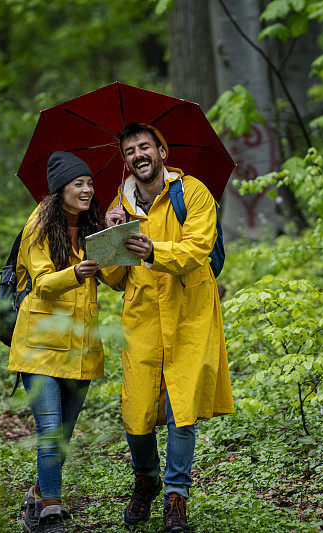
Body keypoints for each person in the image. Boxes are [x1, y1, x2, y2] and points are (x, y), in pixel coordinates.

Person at [104, 123, 234, 532]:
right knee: (137, 409)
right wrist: (110, 236)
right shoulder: (119, 205)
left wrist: (153, 250)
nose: (138, 155)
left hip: (189, 311)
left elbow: (197, 249)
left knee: (182, 408)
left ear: (162, 151)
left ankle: (176, 496)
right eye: (129, 151)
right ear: (125, 160)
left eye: (145, 147)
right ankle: (146, 479)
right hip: (141, 314)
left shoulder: (193, 192)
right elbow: (113, 276)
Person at [8, 151, 124, 533]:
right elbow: (41, 283)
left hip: (81, 350)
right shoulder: (38, 227)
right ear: (61, 190)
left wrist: (117, 234)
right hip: (40, 346)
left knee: (63, 435)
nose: (88, 189)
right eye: (79, 183)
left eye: (90, 183)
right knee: (51, 431)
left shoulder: (92, 228)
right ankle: (51, 511)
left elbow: (115, 280)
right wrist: (74, 272)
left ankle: (37, 495)